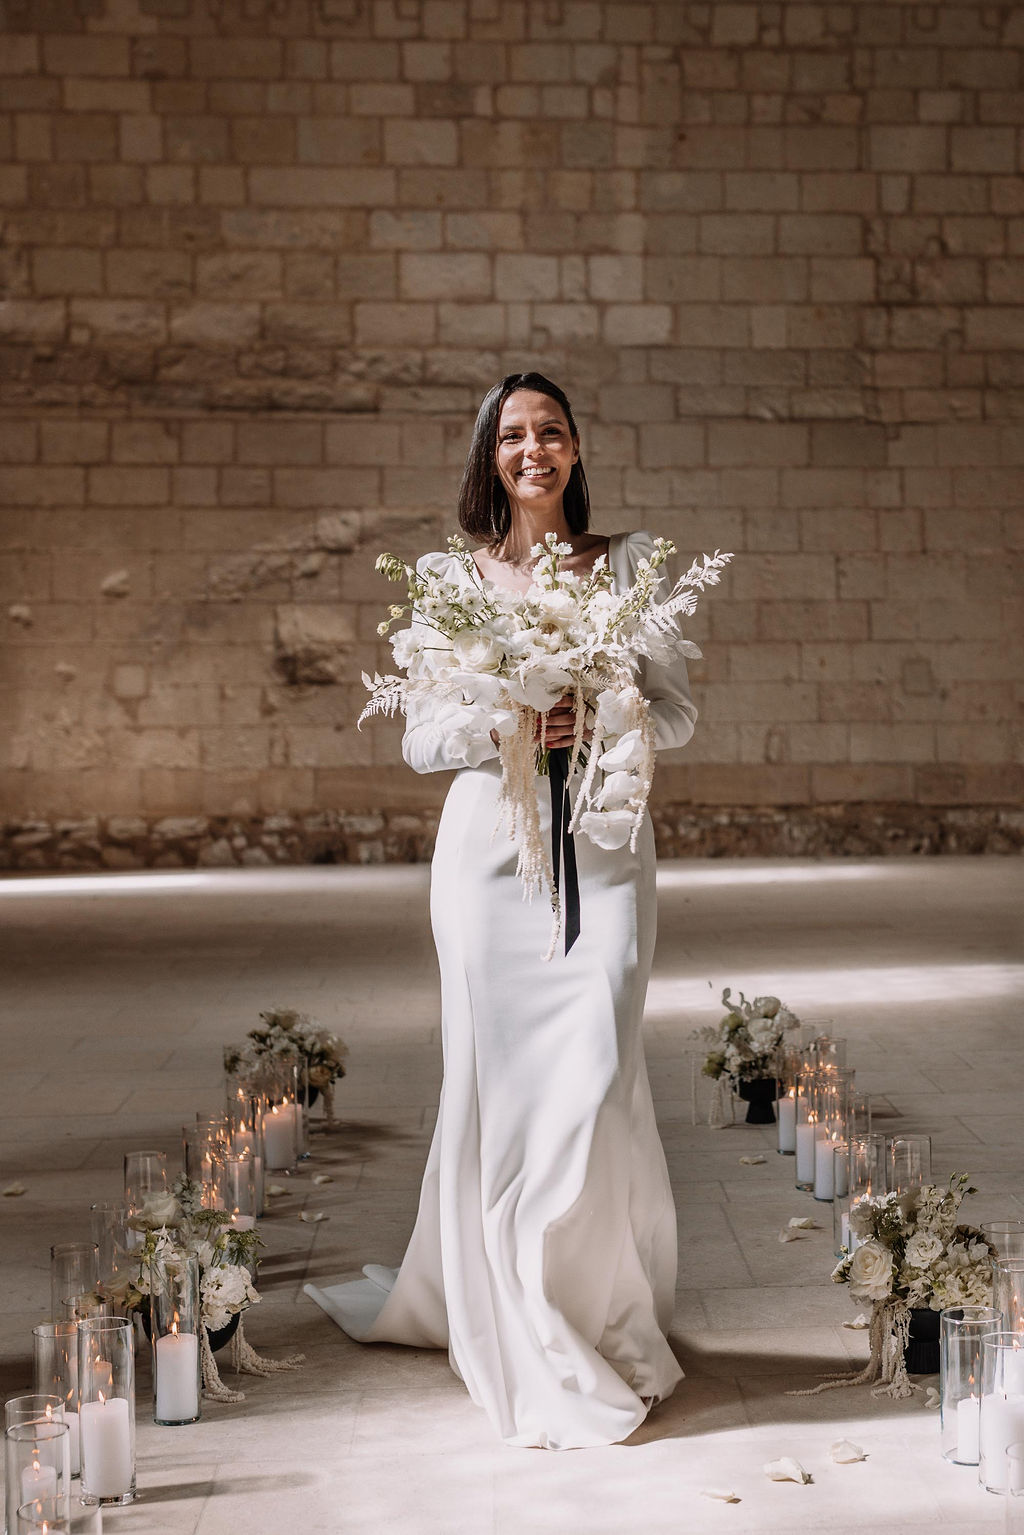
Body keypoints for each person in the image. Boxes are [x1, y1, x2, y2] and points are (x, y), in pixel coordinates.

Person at [305, 373, 698, 1449]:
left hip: (606, 850)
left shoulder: (627, 562)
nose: (534, 449)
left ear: (575, 450)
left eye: (552, 431)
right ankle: (516, 1310)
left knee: (600, 1062)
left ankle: (588, 1298)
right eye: (513, 434)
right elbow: (421, 739)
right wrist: (512, 721)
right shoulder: (445, 577)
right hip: (487, 859)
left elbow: (677, 704)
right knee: (504, 1080)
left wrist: (611, 708)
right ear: (489, 455)